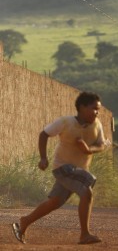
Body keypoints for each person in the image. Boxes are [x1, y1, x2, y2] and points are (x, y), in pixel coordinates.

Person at [12, 91, 106, 245]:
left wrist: (89, 150)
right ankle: (84, 234)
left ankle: (25, 222)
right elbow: (44, 134)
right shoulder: (66, 122)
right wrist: (43, 157)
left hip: (78, 171)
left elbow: (101, 145)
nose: (96, 112)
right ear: (82, 107)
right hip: (63, 167)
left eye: (98, 109)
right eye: (93, 108)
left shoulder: (97, 125)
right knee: (87, 189)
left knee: (55, 202)